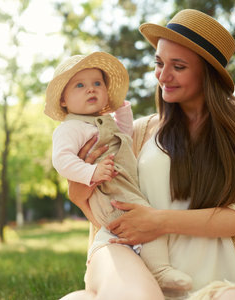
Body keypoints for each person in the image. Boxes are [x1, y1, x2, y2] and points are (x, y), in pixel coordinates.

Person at [60, 9, 235, 300]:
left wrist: (159, 221)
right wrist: (79, 193)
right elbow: (113, 205)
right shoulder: (138, 131)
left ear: (207, 72)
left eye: (179, 66)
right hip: (141, 271)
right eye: (159, 62)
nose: (163, 75)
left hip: (218, 280)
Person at [44, 52, 192, 293]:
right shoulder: (70, 128)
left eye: (97, 84)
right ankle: (159, 270)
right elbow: (62, 160)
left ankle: (153, 269)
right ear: (63, 100)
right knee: (145, 220)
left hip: (122, 186)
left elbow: (124, 137)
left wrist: (122, 113)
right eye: (80, 85)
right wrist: (91, 172)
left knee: (146, 220)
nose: (90, 89)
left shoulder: (102, 121)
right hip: (107, 191)